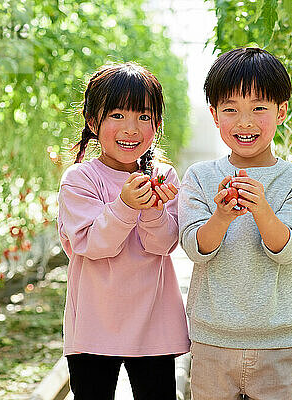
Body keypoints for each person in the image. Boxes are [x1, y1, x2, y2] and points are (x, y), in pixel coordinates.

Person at [178, 47, 292, 400]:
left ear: (282, 111)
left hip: (278, 342)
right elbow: (196, 248)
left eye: (259, 108)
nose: (245, 122)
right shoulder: (200, 176)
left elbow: (290, 251)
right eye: (231, 109)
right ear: (214, 115)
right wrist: (222, 216)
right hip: (212, 339)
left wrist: (262, 210)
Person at [57, 62, 190, 400]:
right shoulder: (80, 179)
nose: (131, 129)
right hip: (94, 325)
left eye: (143, 117)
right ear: (92, 121)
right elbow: (91, 243)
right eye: (117, 115)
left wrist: (152, 210)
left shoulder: (164, 178)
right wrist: (127, 205)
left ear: (156, 125)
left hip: (152, 324)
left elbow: (163, 244)